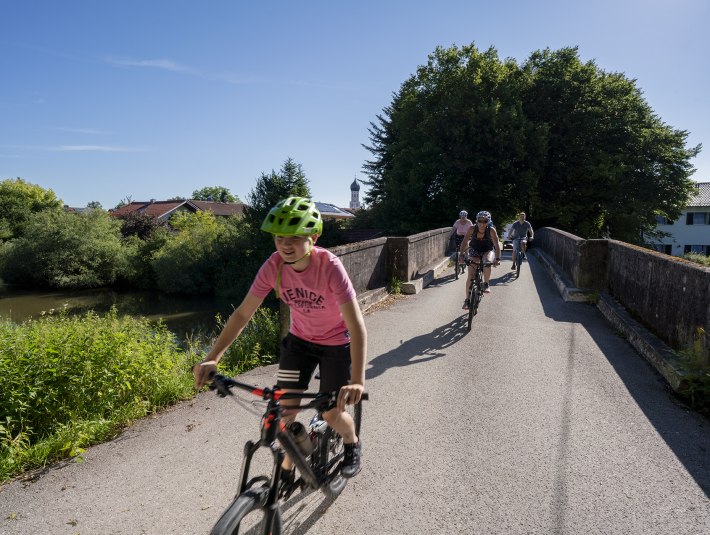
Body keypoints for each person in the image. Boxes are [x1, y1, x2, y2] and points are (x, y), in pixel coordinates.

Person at [193, 196, 367, 480]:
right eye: (279, 238)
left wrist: (357, 379)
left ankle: (351, 442)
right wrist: (213, 356)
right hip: (299, 342)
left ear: (313, 236)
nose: (285, 245)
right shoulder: (273, 266)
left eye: (295, 238)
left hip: (335, 344)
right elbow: (242, 314)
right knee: (285, 413)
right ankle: (287, 467)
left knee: (330, 414)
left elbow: (357, 325)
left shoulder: (329, 267)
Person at [459, 210, 501, 308]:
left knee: (487, 263)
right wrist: (461, 255)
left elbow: (496, 245)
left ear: (488, 222)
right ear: (476, 221)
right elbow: (465, 242)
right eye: (480, 221)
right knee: (470, 275)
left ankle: (486, 283)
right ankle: (467, 300)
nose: (482, 224)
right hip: (475, 250)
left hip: (487, 250)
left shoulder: (491, 230)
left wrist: (498, 258)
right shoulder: (472, 228)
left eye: (485, 221)